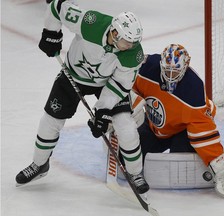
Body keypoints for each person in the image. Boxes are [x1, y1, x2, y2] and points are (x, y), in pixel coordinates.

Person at [15, 0, 149, 194]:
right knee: (50, 121)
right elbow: (56, 7)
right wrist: (51, 34)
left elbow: (119, 84)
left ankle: (135, 173)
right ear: (115, 33)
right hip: (73, 76)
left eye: (134, 41)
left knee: (125, 125)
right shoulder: (91, 22)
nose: (132, 45)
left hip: (107, 83)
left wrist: (102, 111)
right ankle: (39, 164)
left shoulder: (133, 54)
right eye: (128, 41)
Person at [131, 44, 224, 197]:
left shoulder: (192, 88)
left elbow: (202, 129)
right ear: (160, 64)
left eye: (175, 72)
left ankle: (207, 159)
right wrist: (120, 111)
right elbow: (125, 81)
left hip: (184, 129)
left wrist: (217, 160)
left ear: (185, 67)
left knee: (180, 163)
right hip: (157, 126)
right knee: (132, 154)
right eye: (166, 70)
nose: (170, 76)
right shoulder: (147, 68)